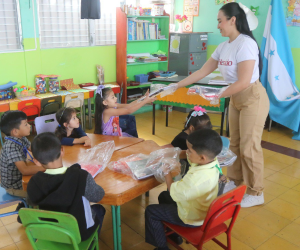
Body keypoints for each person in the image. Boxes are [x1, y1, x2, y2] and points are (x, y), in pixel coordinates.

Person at [166, 2, 269, 208]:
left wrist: (218, 95)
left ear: (233, 20)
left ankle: (257, 192)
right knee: (235, 144)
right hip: (236, 98)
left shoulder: (246, 43)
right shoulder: (224, 46)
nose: (218, 26)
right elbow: (201, 71)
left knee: (249, 147)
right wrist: (176, 85)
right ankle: (235, 181)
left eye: (220, 21)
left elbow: (244, 80)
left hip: (252, 97)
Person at [145, 129, 223, 250]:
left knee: (151, 211)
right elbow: (186, 155)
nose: (187, 152)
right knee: (163, 196)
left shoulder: (195, 180)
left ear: (202, 157)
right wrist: (167, 155)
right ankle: (174, 235)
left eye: (189, 151)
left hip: (192, 217)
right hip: (203, 208)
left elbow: (173, 190)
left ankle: (161, 247)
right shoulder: (211, 161)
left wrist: (167, 173)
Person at [27, 132, 106, 241]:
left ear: (36, 162)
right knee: (99, 209)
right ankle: (91, 244)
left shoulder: (33, 182)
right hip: (79, 234)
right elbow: (98, 196)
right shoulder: (81, 176)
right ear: (62, 150)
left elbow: (32, 201)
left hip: (50, 234)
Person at [0, 111, 44, 198]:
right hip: (14, 187)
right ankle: (30, 208)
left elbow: (33, 149)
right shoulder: (11, 146)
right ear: (15, 132)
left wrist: (47, 156)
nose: (29, 126)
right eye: (26, 124)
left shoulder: (21, 138)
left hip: (20, 178)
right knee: (40, 194)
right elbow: (25, 170)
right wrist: (46, 166)